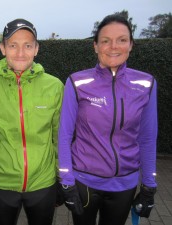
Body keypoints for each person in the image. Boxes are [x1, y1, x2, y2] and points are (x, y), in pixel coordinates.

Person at [58, 14, 157, 225]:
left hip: (124, 185)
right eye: (105, 40)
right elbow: (64, 134)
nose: (113, 46)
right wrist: (66, 181)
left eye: (122, 40)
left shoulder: (146, 83)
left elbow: (147, 138)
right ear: (95, 46)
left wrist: (149, 184)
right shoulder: (77, 82)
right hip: (84, 181)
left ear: (131, 45)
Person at [0, 18, 64, 225]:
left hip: (43, 183)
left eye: (27, 45)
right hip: (1, 183)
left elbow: (60, 137)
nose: (20, 52)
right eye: (13, 45)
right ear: (2, 48)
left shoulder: (55, 86)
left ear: (36, 49)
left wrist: (61, 178)